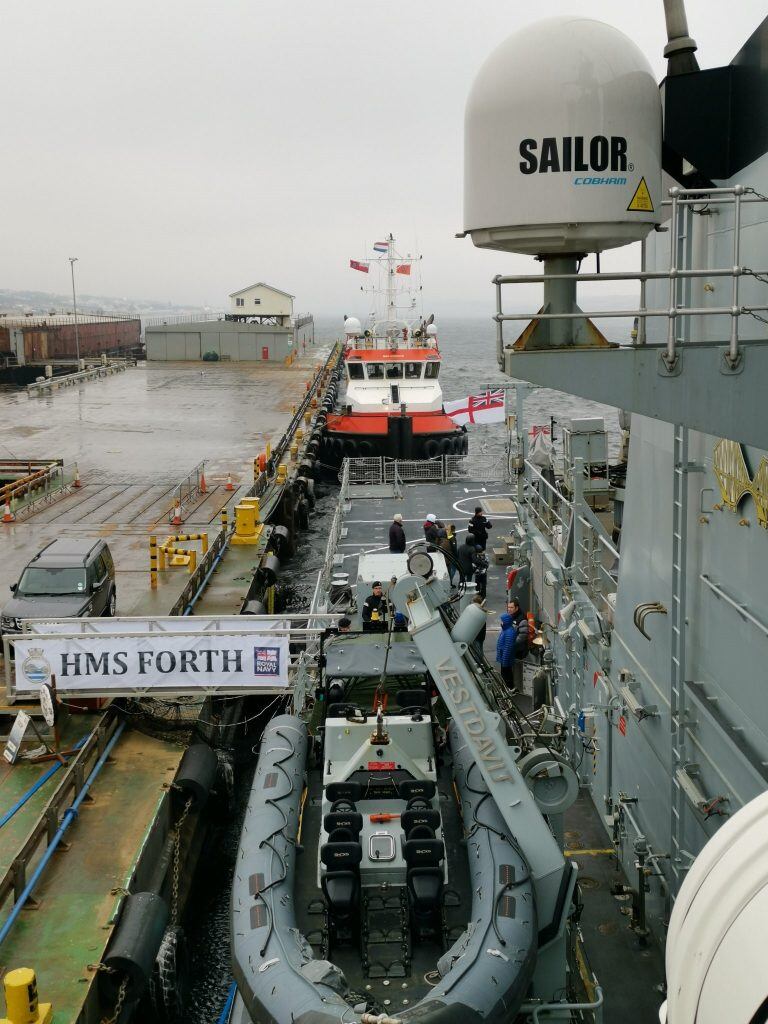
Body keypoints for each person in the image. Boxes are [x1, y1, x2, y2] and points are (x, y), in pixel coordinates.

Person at [508, 599, 529, 690]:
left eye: (511, 607)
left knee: (517, 670)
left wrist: (511, 642)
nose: (509, 609)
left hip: (518, 650)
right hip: (512, 649)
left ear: (516, 608)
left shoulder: (522, 619)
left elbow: (522, 636)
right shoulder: (511, 616)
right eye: (508, 607)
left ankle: (517, 688)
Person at [496, 613, 518, 690]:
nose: (501, 622)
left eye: (502, 621)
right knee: (505, 674)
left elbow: (508, 648)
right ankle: (507, 687)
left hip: (506, 659)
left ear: (506, 621)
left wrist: (504, 661)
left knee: (507, 674)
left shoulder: (509, 632)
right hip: (504, 658)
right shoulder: (506, 629)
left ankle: (509, 688)